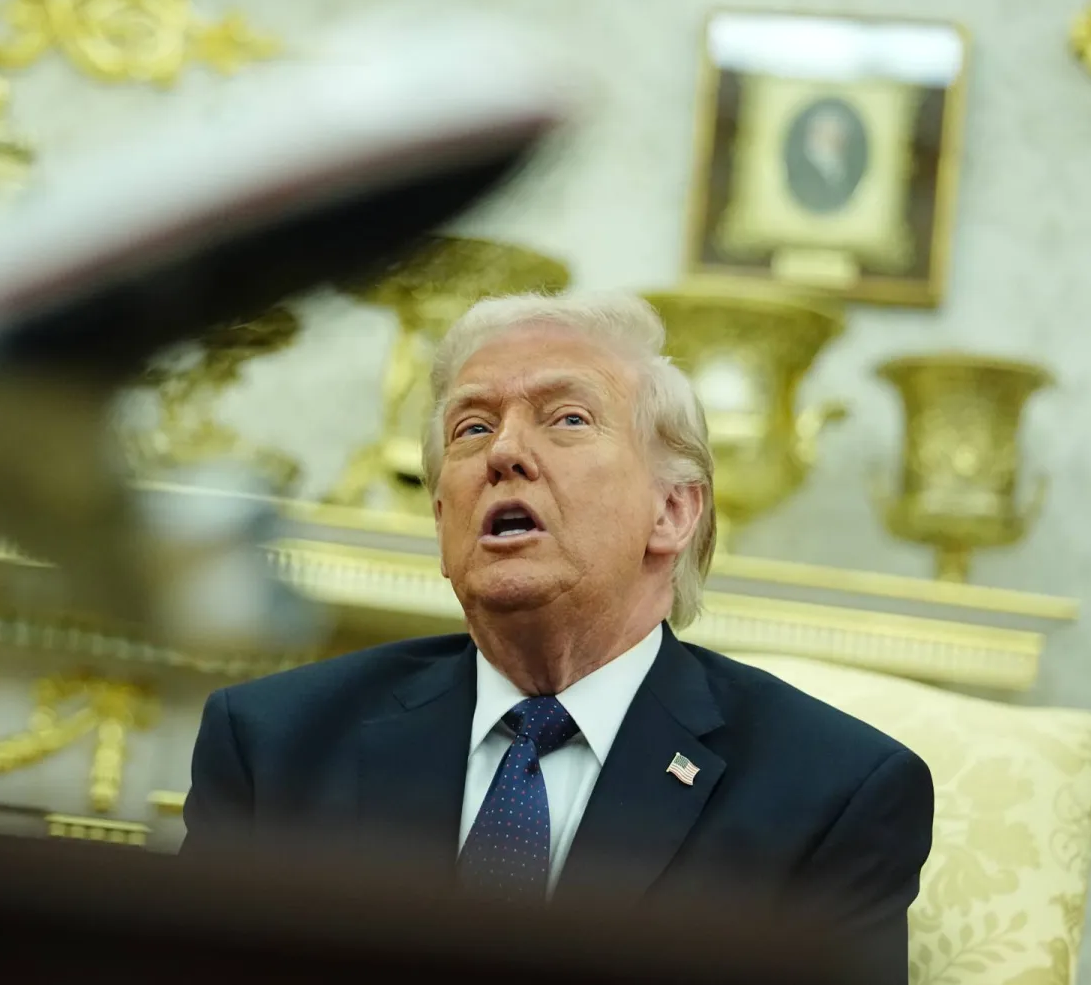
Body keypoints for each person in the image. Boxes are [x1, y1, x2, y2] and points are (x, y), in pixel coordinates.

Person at [182, 292, 933, 982]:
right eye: (471, 427)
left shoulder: (832, 794)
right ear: (443, 522)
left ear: (673, 512)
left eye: (568, 418)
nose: (505, 452)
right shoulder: (273, 747)